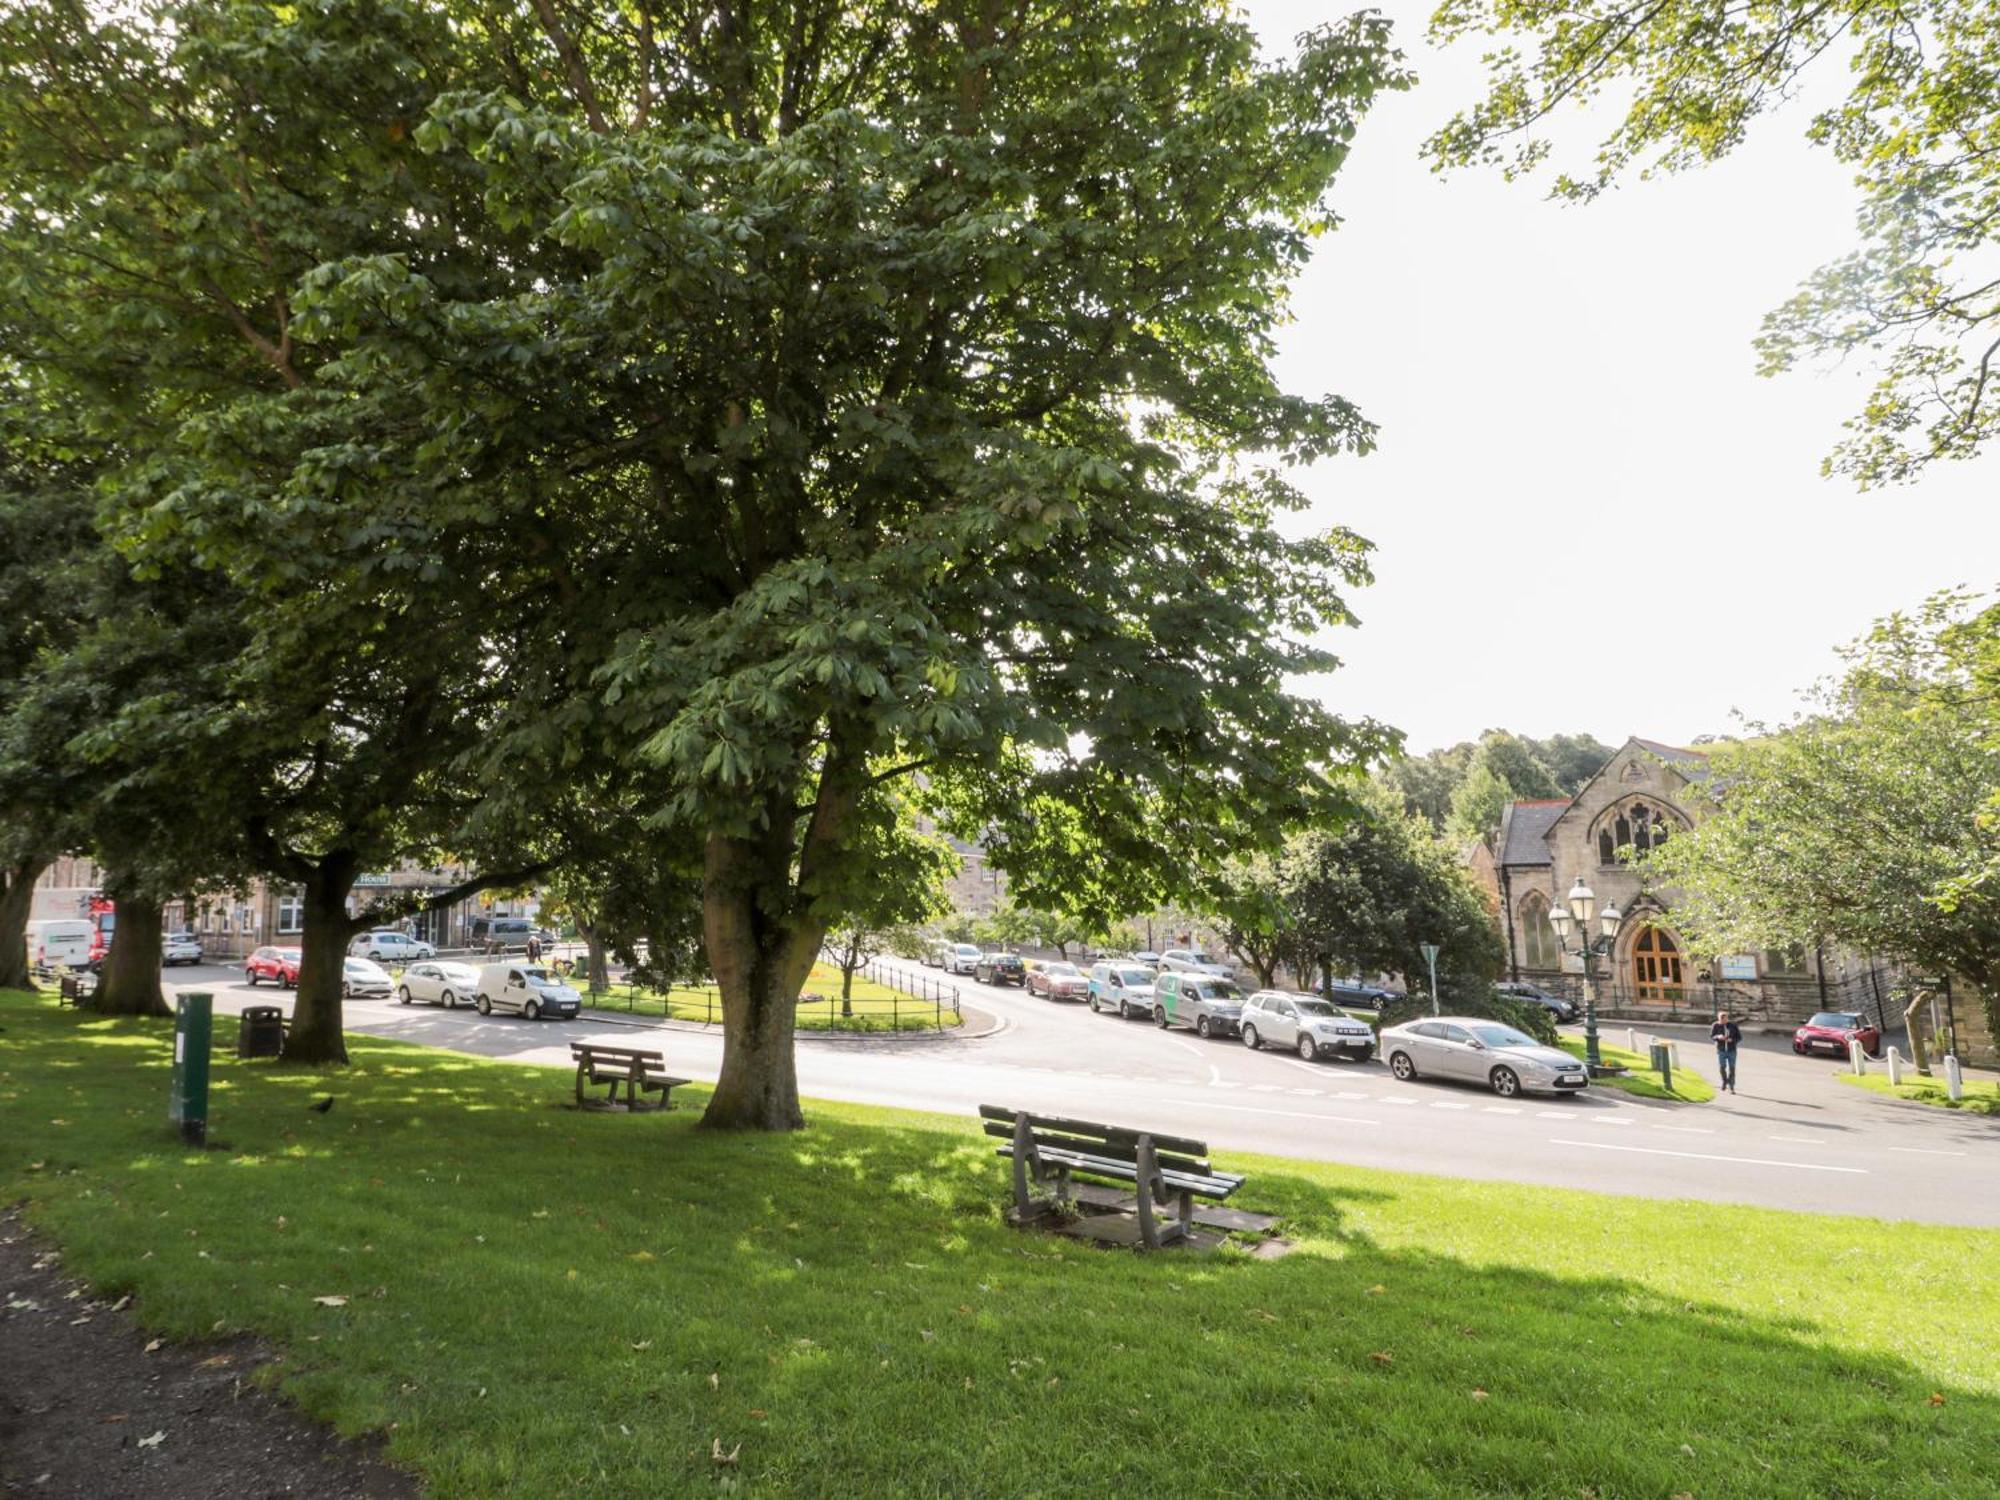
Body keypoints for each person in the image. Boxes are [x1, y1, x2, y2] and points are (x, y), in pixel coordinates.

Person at [1711, 1010, 1742, 1093]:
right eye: (1721, 1020)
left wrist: (1732, 1040)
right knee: (1722, 1067)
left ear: (1727, 1018)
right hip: (1721, 1050)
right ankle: (1724, 1081)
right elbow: (1712, 1036)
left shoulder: (1733, 1025)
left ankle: (1731, 1086)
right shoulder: (1716, 1025)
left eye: (1724, 1019)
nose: (1723, 1022)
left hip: (1732, 1050)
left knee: (1732, 1069)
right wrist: (1718, 1037)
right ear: (1719, 1019)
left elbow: (1739, 1037)